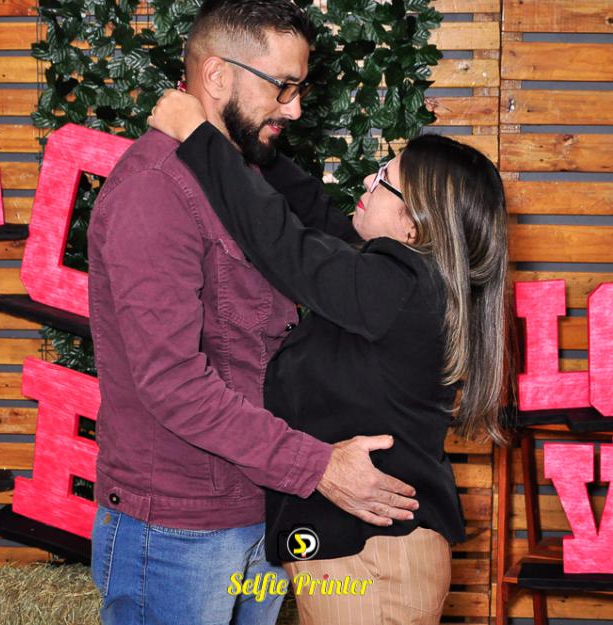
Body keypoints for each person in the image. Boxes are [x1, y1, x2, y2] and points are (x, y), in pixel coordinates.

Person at [87, 2, 419, 624]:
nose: (294, 109)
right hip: (179, 529)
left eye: (300, 88)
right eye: (282, 86)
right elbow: (173, 383)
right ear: (217, 76)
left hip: (260, 505)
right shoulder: (154, 191)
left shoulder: (243, 174)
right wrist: (318, 465)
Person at [148, 89, 511, 625]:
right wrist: (246, 139)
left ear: (414, 226)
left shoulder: (395, 286)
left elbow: (284, 245)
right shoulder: (410, 283)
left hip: (372, 564)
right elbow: (315, 218)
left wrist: (198, 135)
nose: (366, 182)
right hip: (367, 558)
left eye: (383, 179)